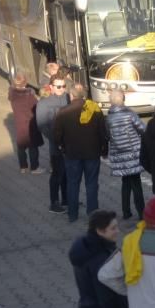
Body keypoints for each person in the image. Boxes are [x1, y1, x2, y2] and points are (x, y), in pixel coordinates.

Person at [54, 83, 108, 223]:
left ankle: (73, 214)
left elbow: (57, 135)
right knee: (91, 183)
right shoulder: (95, 109)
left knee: (72, 183)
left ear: (71, 95)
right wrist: (104, 150)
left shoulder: (63, 111)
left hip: (72, 155)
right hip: (92, 153)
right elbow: (103, 132)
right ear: (83, 95)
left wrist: (61, 146)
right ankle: (93, 213)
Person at [105, 91, 146, 219]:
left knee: (126, 182)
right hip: (132, 153)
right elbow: (143, 129)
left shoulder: (108, 118)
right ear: (123, 99)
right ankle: (142, 213)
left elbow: (107, 135)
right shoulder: (130, 114)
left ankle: (126, 211)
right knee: (136, 183)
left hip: (118, 154)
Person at [36, 73, 70, 213]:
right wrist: (56, 140)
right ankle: (54, 202)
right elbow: (42, 125)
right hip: (56, 146)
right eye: (58, 86)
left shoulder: (69, 99)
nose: (61, 89)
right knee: (57, 174)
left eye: (63, 86)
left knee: (67, 174)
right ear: (51, 87)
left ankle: (66, 199)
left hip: (70, 145)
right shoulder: (44, 103)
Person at [8, 74, 43, 174]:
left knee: (21, 146)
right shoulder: (29, 95)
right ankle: (34, 168)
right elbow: (37, 106)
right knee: (33, 146)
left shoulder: (12, 94)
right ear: (25, 83)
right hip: (29, 122)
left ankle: (23, 167)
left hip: (19, 122)